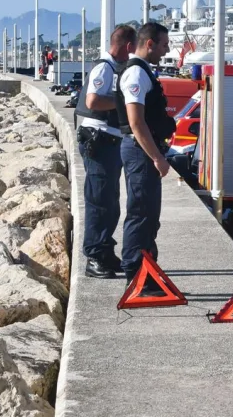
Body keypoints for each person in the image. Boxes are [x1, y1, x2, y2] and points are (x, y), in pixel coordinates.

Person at [74, 25, 137, 278]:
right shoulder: (105, 67)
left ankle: (106, 252)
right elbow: (92, 101)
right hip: (99, 141)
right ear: (129, 46)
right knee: (99, 201)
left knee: (110, 202)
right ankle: (94, 256)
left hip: (109, 141)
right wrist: (124, 102)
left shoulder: (115, 69)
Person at [116, 22, 176, 290]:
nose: (166, 50)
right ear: (149, 43)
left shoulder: (143, 73)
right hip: (140, 152)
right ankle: (136, 276)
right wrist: (156, 158)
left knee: (149, 216)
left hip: (144, 151)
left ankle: (147, 273)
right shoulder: (136, 75)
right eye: (164, 45)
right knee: (140, 214)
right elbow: (136, 122)